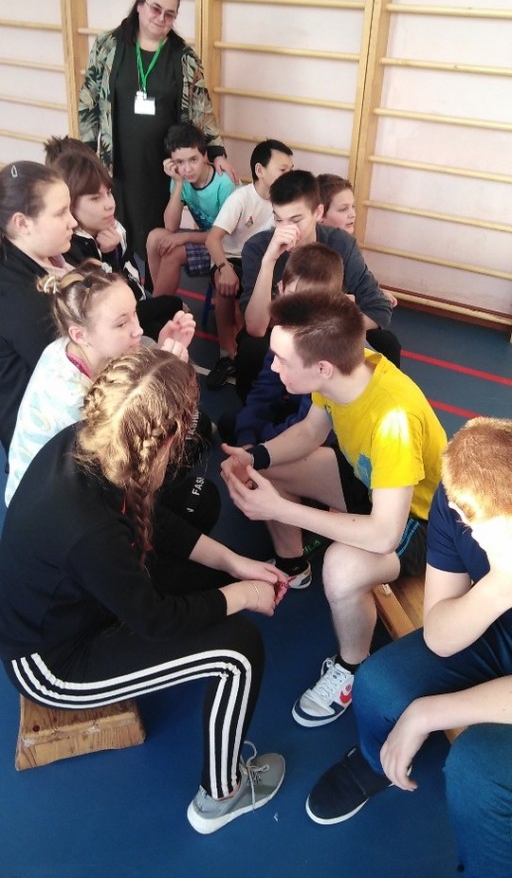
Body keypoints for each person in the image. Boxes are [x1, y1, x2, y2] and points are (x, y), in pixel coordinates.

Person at [0, 346, 287, 834]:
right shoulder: (86, 526)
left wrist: (234, 563)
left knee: (212, 578)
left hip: (84, 602)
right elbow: (156, 620)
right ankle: (221, 794)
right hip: (52, 664)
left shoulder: (93, 441)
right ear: (167, 438)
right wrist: (245, 595)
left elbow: (157, 522)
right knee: (238, 651)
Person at [306, 417, 512, 878]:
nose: (475, 537)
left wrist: (429, 712)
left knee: (478, 771)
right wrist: (502, 585)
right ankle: (375, 760)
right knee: (380, 682)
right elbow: (439, 632)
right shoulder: (462, 499)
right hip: (500, 625)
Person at [222, 291, 446, 713]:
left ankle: (352, 666)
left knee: (342, 568)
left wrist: (280, 509)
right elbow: (310, 432)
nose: (273, 366)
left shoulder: (393, 420)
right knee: (268, 471)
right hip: (370, 485)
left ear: (322, 367)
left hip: (419, 522)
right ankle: (294, 567)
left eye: (281, 359)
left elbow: (384, 534)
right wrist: (255, 457)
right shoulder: (343, 372)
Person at [5, 260, 195, 505]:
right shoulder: (75, 403)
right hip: (53, 505)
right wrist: (166, 374)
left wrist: (159, 353)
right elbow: (128, 467)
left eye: (135, 313)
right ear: (80, 334)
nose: (138, 330)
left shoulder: (65, 347)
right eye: (121, 323)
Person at [79, 0, 236, 259]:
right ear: (140, 5)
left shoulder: (184, 57)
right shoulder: (108, 45)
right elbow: (88, 98)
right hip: (119, 157)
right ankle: (123, 270)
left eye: (170, 14)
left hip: (165, 160)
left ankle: (152, 277)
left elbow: (201, 106)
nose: (161, 18)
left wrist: (217, 152)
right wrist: (87, 151)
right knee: (118, 216)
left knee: (158, 223)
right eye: (155, 9)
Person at [236, 169, 394, 402]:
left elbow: (379, 308)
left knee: (387, 343)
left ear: (318, 212)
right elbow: (256, 328)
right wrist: (268, 262)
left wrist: (321, 331)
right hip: (280, 337)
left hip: (328, 334)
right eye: (278, 219)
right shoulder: (257, 247)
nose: (286, 229)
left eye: (295, 220)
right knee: (252, 349)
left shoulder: (340, 243)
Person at [47, 140, 185, 342]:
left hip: (132, 300)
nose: (110, 204)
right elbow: (105, 306)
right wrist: (110, 255)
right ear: (69, 202)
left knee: (172, 321)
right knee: (174, 311)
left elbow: (128, 276)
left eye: (109, 193)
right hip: (115, 321)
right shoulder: (69, 248)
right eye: (95, 198)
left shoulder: (110, 227)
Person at [218, 244, 344, 448]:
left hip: (327, 433)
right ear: (281, 289)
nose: (301, 308)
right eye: (295, 295)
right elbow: (264, 392)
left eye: (313, 301)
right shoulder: (285, 333)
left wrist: (261, 450)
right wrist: (248, 438)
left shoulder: (329, 352)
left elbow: (311, 430)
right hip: (299, 417)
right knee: (233, 425)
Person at [204, 139, 294, 390]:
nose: (289, 175)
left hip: (265, 260)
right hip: (232, 258)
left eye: (291, 170)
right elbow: (212, 239)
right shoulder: (241, 198)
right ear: (259, 170)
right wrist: (224, 268)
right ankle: (226, 355)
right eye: (283, 169)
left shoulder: (287, 202)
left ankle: (258, 350)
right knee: (227, 286)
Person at [0, 160, 76, 453]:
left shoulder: (42, 258)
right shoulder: (21, 298)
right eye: (60, 213)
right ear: (22, 223)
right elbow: (75, 370)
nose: (73, 221)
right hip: (43, 443)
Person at [146, 122, 237, 297]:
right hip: (206, 238)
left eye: (193, 160)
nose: (187, 169)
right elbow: (170, 226)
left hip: (227, 245)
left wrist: (185, 236)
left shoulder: (223, 183)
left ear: (205, 156)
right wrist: (178, 183)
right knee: (155, 237)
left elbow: (226, 235)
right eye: (180, 162)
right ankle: (161, 301)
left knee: (173, 253)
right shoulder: (181, 179)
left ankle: (160, 303)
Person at [318, 172, 398, 315]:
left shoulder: (347, 245)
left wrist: (376, 293)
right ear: (319, 214)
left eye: (353, 207)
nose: (352, 214)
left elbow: (361, 283)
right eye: (343, 209)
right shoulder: (315, 250)